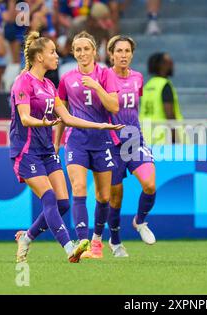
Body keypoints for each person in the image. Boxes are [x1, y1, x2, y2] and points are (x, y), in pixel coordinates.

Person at [11, 31, 124, 263]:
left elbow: (68, 118)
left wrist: (101, 126)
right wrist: (43, 122)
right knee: (50, 199)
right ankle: (70, 247)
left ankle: (27, 237)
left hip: (46, 150)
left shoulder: (50, 85)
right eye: (52, 52)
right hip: (26, 151)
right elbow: (24, 118)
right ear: (40, 57)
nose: (57, 56)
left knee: (63, 203)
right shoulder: (23, 81)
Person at [53, 31, 120, 260]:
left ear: (94, 51)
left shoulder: (105, 74)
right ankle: (81, 241)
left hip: (102, 142)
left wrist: (96, 86)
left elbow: (114, 107)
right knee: (79, 188)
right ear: (73, 52)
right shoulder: (66, 79)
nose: (82, 53)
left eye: (86, 49)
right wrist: (56, 144)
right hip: (76, 141)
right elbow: (62, 114)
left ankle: (97, 241)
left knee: (103, 197)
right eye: (78, 49)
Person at [105, 35, 157, 257]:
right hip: (110, 143)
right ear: (111, 54)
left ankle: (140, 221)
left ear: (132, 54)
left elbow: (135, 107)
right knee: (115, 197)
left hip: (134, 140)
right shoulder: (104, 77)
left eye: (127, 51)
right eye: (119, 51)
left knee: (150, 184)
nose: (123, 55)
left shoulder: (138, 77)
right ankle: (115, 241)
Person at [139, 52, 183, 144]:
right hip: (163, 140)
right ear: (161, 65)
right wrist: (176, 140)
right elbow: (169, 115)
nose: (172, 63)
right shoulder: (164, 85)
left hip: (146, 138)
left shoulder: (147, 86)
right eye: (168, 61)